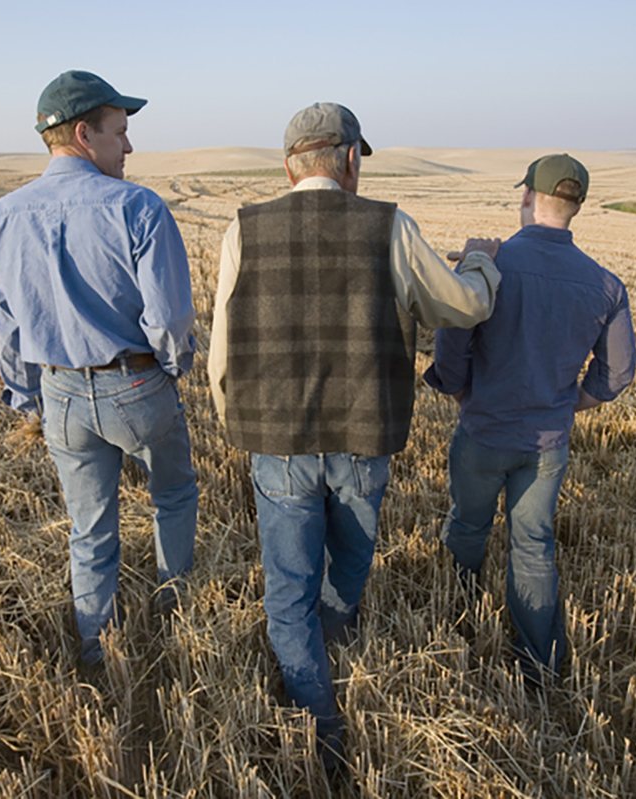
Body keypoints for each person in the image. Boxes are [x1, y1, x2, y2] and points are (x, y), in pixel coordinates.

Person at [208, 102, 501, 769]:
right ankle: (334, 645)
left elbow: (222, 353)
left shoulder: (242, 230)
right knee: (349, 564)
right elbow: (460, 305)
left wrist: (237, 423)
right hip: (364, 437)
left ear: (289, 168)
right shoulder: (390, 226)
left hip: (277, 441)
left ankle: (318, 723)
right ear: (348, 159)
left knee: (287, 589)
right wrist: (483, 265)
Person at [0, 70, 199, 665]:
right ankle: (175, 613)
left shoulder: (3, 216)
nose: (128, 148)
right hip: (135, 382)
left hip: (61, 394)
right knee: (174, 495)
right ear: (84, 133)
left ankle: (94, 647)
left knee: (90, 527)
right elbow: (169, 316)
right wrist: (171, 369)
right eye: (120, 133)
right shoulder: (139, 207)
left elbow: (5, 328)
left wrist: (29, 396)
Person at [424, 153, 636, 684]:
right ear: (577, 208)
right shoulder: (605, 285)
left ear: (526, 198)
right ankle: (541, 663)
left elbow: (451, 346)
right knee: (535, 547)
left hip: (482, 432)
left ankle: (455, 623)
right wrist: (572, 404)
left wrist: (455, 391)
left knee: (467, 527)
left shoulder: (490, 266)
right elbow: (618, 374)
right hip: (547, 443)